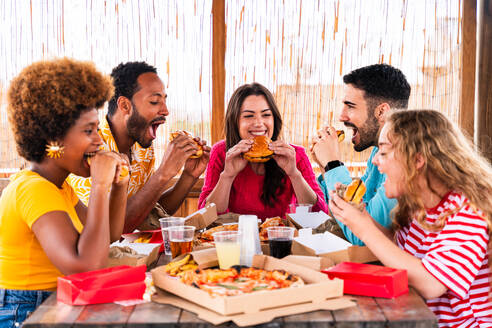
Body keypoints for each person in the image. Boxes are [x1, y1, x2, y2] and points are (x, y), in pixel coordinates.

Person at [329, 109, 492, 326]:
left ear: (417, 160)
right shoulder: (422, 205)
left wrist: (363, 227)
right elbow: (400, 255)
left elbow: (431, 283)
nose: (376, 161)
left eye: (384, 152)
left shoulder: (468, 211)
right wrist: (362, 215)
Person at [0, 58, 129, 327]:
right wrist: (99, 185)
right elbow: (84, 268)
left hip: (54, 302)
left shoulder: (60, 187)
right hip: (25, 313)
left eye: (98, 129)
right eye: (88, 131)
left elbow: (109, 236)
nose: (100, 141)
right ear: (53, 139)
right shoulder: (33, 189)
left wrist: (118, 186)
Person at [68, 61, 210, 233]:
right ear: (125, 106)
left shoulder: (143, 147)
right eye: (154, 102)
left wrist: (188, 176)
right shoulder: (89, 151)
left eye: (164, 101)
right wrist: (163, 174)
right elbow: (112, 230)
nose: (166, 111)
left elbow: (147, 213)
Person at [311, 64, 410, 245]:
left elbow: (361, 236)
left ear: (381, 111)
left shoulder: (403, 157)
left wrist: (333, 164)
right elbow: (349, 211)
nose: (341, 116)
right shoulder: (377, 153)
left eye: (350, 106)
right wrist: (325, 167)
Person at [198, 82, 328, 220]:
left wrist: (294, 174)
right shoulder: (221, 152)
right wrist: (228, 175)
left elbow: (320, 215)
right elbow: (205, 216)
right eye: (249, 116)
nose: (259, 123)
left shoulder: (294, 154)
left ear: (274, 119)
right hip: (234, 239)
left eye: (266, 115)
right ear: (235, 121)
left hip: (280, 239)